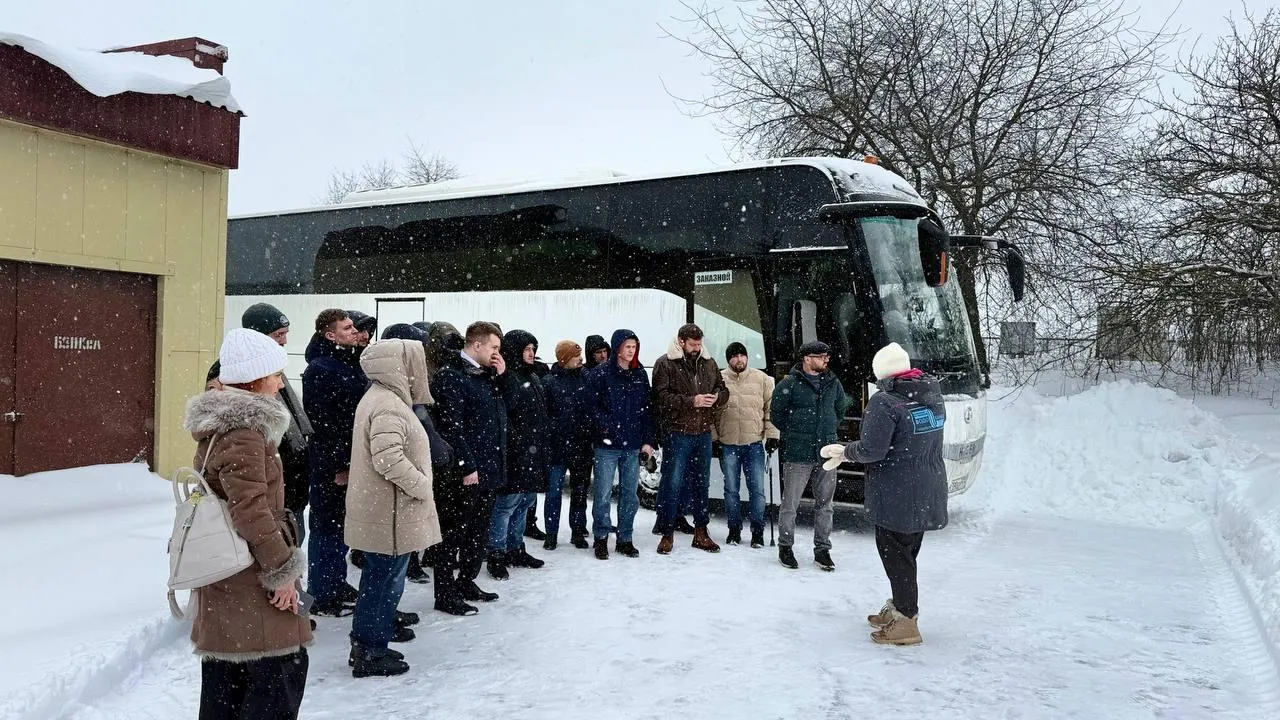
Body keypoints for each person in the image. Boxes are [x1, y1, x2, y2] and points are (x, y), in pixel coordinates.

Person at [183, 328, 311, 719]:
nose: (280, 382)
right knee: (280, 673)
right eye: (275, 373)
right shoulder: (245, 432)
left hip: (230, 575)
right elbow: (251, 511)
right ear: (256, 379)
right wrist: (282, 572)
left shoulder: (223, 424)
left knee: (227, 681)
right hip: (250, 576)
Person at [819, 342, 947, 646]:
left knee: (895, 554)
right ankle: (902, 608)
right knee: (908, 552)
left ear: (882, 373)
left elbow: (872, 450)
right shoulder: (931, 395)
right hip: (928, 487)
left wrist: (845, 451)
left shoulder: (885, 402)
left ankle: (906, 620)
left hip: (897, 492)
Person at [346, 339, 443, 677]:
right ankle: (369, 650)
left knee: (382, 578)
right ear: (399, 367)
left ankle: (373, 639)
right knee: (382, 580)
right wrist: (422, 485)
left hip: (389, 511)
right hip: (389, 513)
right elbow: (388, 459)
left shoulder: (384, 399)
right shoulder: (388, 404)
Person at [428, 321, 507, 615]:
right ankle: (445, 593)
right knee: (454, 533)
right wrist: (466, 465)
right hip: (463, 473)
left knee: (478, 532)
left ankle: (467, 580)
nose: (497, 353)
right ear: (477, 345)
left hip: (487, 469)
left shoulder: (486, 376)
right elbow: (450, 426)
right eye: (494, 347)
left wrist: (500, 377)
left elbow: (499, 414)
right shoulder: (452, 376)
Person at [302, 309, 367, 616]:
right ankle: (323, 595)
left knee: (342, 528)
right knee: (326, 528)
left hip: (352, 459)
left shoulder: (348, 362)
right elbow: (323, 422)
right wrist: (339, 464)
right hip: (332, 465)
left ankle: (336, 583)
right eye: (348, 327)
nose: (355, 331)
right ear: (331, 335)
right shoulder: (321, 369)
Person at [381, 323, 456, 585]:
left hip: (421, 452)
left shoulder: (419, 372)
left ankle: (413, 560)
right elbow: (418, 416)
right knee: (404, 516)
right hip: (406, 458)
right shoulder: (390, 385)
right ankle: (408, 563)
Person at [769, 340, 851, 571]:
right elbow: (777, 414)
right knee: (790, 504)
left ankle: (823, 549)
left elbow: (840, 410)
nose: (826, 359)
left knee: (825, 505)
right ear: (807, 359)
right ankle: (785, 547)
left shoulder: (833, 383)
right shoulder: (790, 384)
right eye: (821, 356)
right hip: (798, 452)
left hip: (827, 452)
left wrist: (828, 429)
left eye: (827, 356)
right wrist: (796, 432)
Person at [652, 324, 729, 555]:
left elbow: (723, 389)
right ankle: (666, 532)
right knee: (672, 483)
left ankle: (701, 531)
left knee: (701, 483)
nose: (697, 348)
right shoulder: (665, 363)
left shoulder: (709, 362)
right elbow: (660, 398)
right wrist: (691, 401)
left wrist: (716, 398)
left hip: (703, 433)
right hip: (678, 432)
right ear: (681, 342)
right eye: (693, 344)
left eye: (699, 344)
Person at [241, 303, 313, 543]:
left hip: (291, 481)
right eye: (278, 335)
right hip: (270, 486)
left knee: (293, 543)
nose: (284, 341)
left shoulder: (274, 369)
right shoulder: (241, 373)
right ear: (257, 337)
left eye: (285, 334)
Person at [487, 329, 550, 579]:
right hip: (514, 453)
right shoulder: (506, 376)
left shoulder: (532, 376)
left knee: (525, 502)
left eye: (533, 349)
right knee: (506, 504)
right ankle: (496, 553)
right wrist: (503, 377)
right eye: (526, 349)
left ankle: (515, 548)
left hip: (533, 452)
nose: (531, 354)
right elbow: (508, 408)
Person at [587, 329, 656, 560]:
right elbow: (591, 408)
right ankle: (601, 538)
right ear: (617, 347)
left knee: (630, 494)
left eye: (634, 346)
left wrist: (648, 441)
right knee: (603, 493)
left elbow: (647, 409)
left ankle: (625, 538)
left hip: (633, 444)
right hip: (607, 445)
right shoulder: (600, 374)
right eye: (627, 346)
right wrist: (605, 429)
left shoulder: (639, 374)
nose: (631, 350)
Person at [715, 341, 779, 548]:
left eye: (742, 355)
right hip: (728, 444)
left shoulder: (761, 379)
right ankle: (734, 530)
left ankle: (758, 531)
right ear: (728, 360)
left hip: (754, 444)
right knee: (731, 490)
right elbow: (710, 413)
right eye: (734, 356)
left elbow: (771, 409)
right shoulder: (718, 379)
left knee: (757, 490)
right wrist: (715, 438)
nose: (739, 359)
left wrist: (772, 435)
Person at [543, 340, 595, 550]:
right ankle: (551, 533)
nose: (581, 359)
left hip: (582, 445)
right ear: (564, 359)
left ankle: (577, 531)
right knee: (553, 492)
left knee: (580, 492)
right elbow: (544, 415)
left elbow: (592, 408)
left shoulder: (586, 378)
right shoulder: (549, 382)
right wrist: (554, 432)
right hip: (557, 447)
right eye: (576, 355)